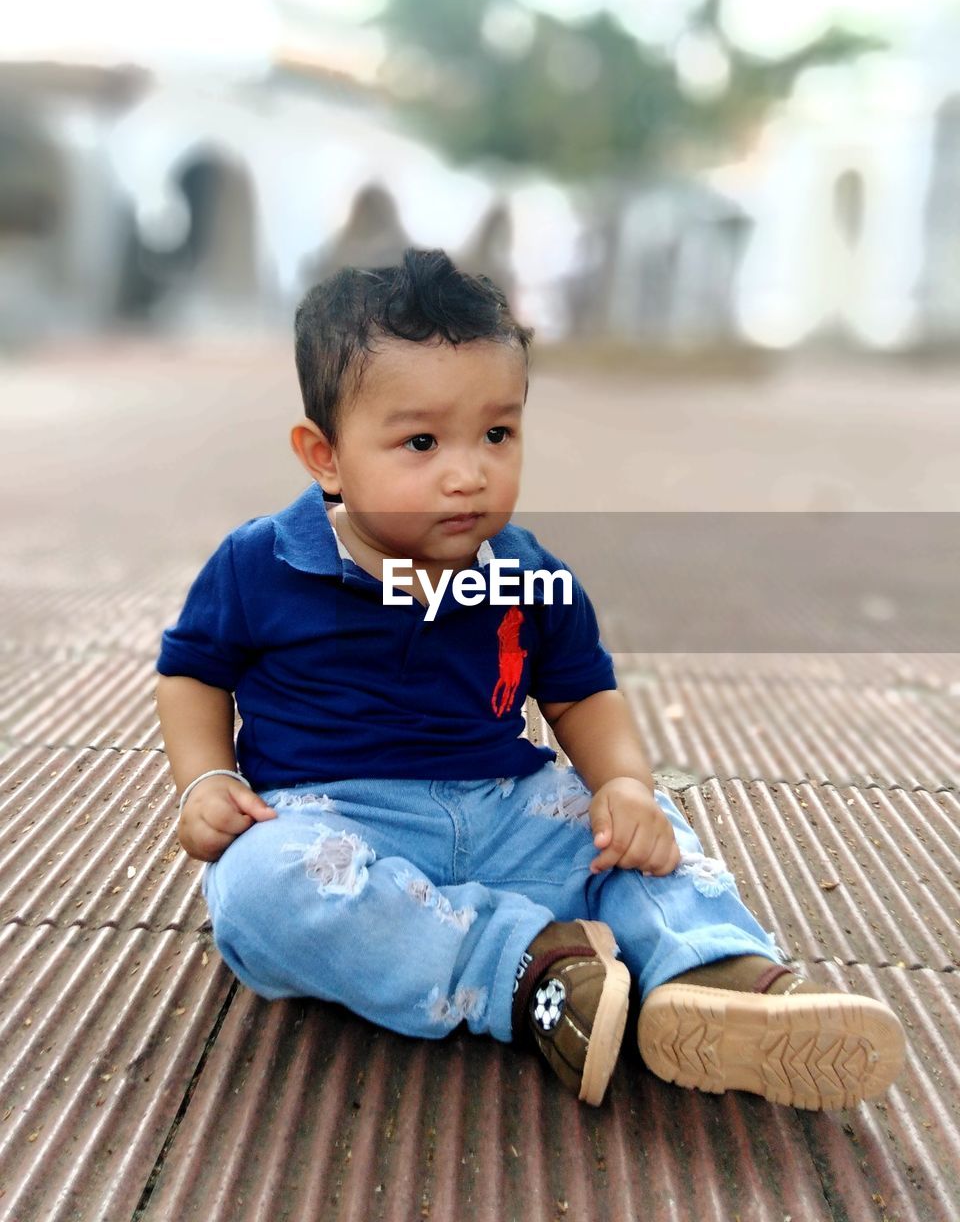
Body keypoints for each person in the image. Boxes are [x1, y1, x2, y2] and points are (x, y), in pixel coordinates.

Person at [155, 248, 905, 1109]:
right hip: (336, 821)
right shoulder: (261, 563)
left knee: (641, 839)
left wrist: (624, 785)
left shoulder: (525, 571)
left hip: (505, 810)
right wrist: (206, 779)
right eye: (422, 442)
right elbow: (192, 674)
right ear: (324, 456)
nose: (468, 472)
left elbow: (580, 691)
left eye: (498, 435)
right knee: (256, 890)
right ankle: (531, 974)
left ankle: (718, 976)